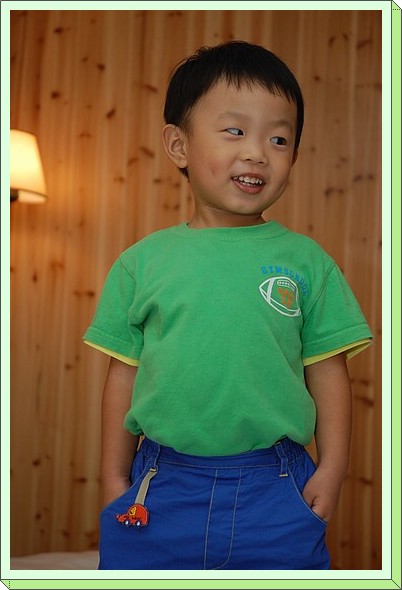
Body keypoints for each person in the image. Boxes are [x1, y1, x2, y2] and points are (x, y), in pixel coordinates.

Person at [83, 40, 373, 570]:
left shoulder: (308, 263)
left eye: (279, 138)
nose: (258, 152)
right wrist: (113, 478)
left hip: (276, 482)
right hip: (162, 480)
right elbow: (123, 376)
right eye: (235, 131)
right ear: (179, 145)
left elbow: (328, 371)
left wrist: (333, 469)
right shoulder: (140, 264)